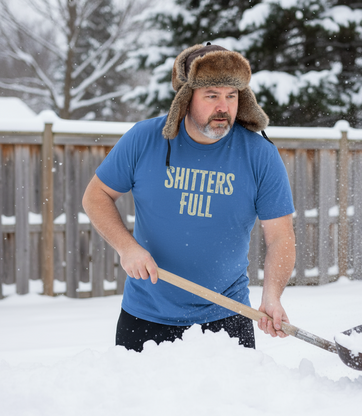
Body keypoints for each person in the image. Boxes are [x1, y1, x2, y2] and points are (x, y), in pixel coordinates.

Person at [82, 43, 296, 352]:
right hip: (144, 318)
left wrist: (272, 295)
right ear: (186, 98)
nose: (223, 107)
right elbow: (96, 195)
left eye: (231, 96)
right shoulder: (145, 139)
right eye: (212, 95)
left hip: (226, 319)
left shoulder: (260, 155)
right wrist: (127, 247)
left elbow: (280, 237)